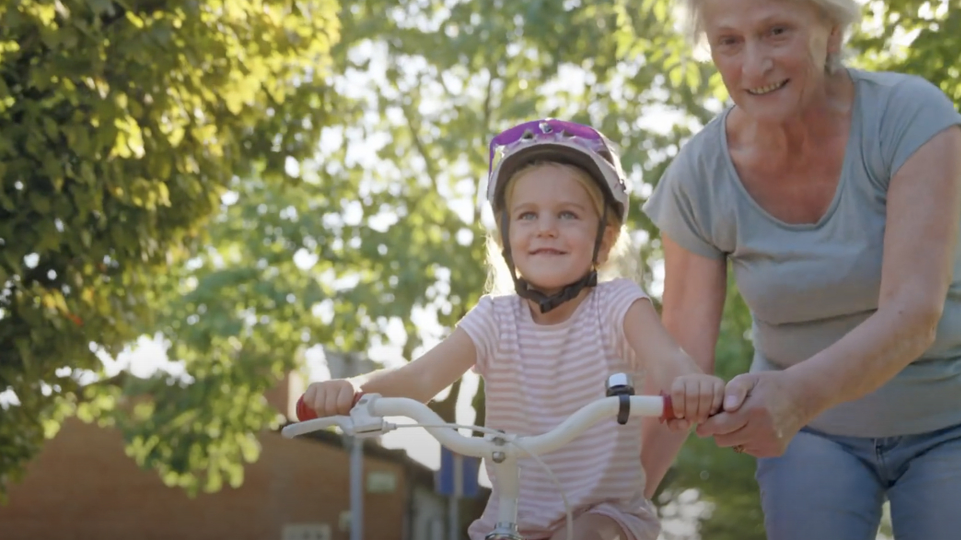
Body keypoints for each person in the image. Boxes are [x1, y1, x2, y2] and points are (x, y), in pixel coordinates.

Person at [640, 0, 961, 538]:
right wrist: (610, 507)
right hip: (812, 435)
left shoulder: (911, 117)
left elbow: (913, 313)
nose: (753, 66)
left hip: (958, 416)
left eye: (777, 32)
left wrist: (791, 398)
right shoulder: (698, 176)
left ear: (831, 29)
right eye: (729, 42)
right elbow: (680, 369)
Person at [300, 119, 724, 540]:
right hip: (512, 516)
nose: (546, 228)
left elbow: (670, 362)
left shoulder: (619, 306)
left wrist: (689, 386)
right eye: (527, 215)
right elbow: (418, 379)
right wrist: (351, 389)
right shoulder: (494, 320)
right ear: (505, 237)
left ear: (605, 239)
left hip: (606, 517)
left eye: (568, 214)